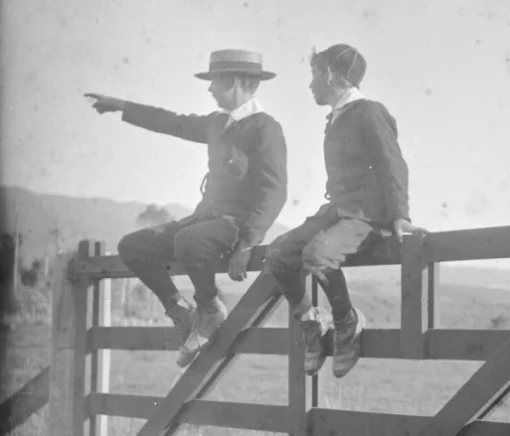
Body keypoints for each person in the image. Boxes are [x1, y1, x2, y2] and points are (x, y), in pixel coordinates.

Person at [85, 49, 287, 367]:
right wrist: (121, 106)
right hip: (202, 223)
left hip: (234, 226)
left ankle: (210, 308)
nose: (209, 90)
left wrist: (248, 243)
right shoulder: (217, 123)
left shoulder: (266, 129)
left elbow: (274, 193)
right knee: (133, 246)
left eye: (215, 83)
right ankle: (182, 313)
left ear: (235, 82)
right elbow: (171, 122)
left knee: (188, 240)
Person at [264, 44, 425, 379]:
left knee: (317, 254)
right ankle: (312, 324)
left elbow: (392, 163)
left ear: (331, 74)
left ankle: (346, 323)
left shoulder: (369, 112)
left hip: (366, 216)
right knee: (278, 254)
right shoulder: (337, 116)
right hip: (338, 211)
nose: (310, 84)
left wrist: (400, 215)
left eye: (314, 74)